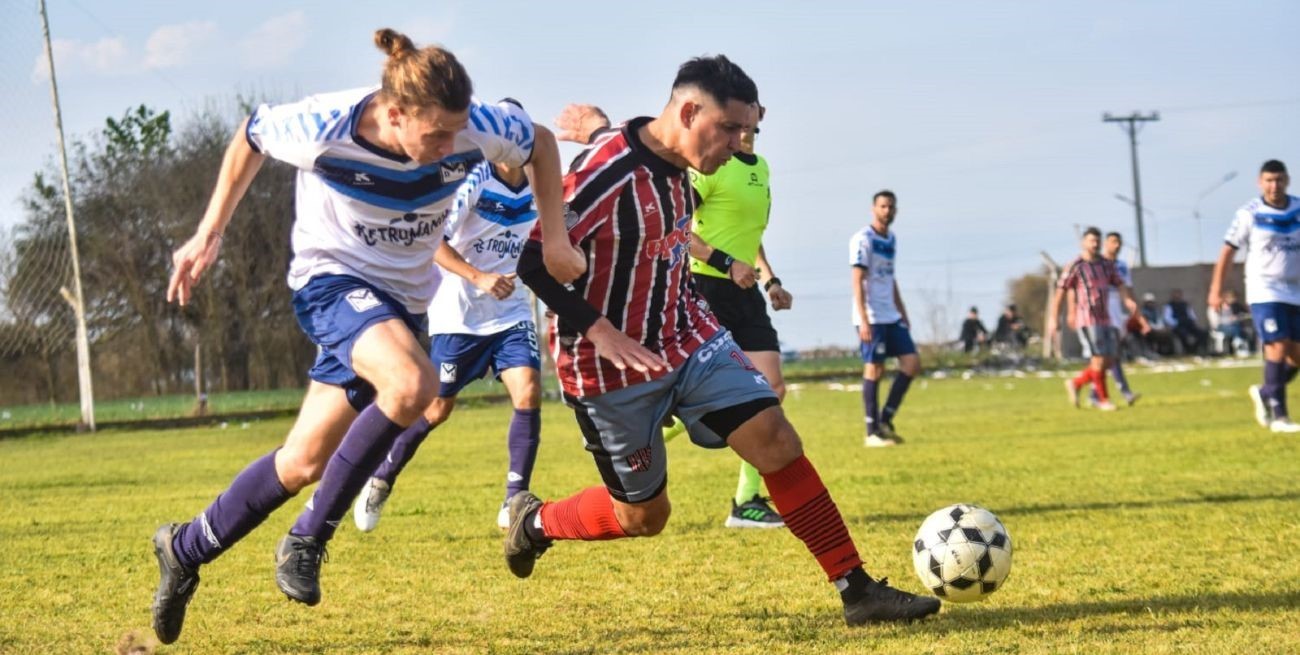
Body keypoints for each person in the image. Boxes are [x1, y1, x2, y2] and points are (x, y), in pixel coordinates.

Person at [150, 29, 566, 645]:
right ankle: (309, 538)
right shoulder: (324, 125)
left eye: (457, 133)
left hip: (399, 305)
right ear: (393, 113)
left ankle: (184, 548)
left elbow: (545, 144)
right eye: (437, 136)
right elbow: (249, 135)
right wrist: (212, 228)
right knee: (412, 383)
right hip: (329, 281)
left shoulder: (474, 126)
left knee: (301, 461)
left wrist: (553, 236)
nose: (453, 147)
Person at [509, 55, 940, 626]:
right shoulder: (604, 177)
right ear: (689, 112)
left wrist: (595, 124)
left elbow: (624, 140)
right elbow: (532, 257)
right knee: (644, 516)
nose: (741, 144)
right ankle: (535, 522)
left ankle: (856, 590)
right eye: (731, 129)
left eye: (748, 131)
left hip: (688, 338)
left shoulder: (679, 159)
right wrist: (600, 328)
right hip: (608, 369)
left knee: (776, 437)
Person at [553, 101, 793, 529]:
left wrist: (769, 279)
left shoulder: (762, 169)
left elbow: (751, 235)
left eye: (749, 122)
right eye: (735, 122)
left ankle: (748, 500)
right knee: (647, 510)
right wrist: (723, 261)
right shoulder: (706, 168)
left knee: (773, 390)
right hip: (703, 285)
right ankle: (643, 440)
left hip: (746, 287)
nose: (742, 132)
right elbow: (679, 228)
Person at [352, 153, 543, 534]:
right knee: (437, 408)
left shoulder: (541, 185)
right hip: (459, 315)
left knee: (529, 391)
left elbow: (560, 235)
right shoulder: (474, 181)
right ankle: (382, 477)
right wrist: (478, 277)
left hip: (512, 313)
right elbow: (432, 242)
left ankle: (514, 499)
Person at [1208, 159, 1300, 433]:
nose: (1274, 186)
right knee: (1277, 345)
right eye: (1269, 181)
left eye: (1279, 180)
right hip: (1265, 289)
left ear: (1287, 181)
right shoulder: (1249, 213)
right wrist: (1215, 290)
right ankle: (1280, 416)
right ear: (1260, 183)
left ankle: (1265, 392)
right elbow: (1227, 252)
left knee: (1296, 358)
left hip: (1295, 290)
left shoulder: (1298, 208)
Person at [850, 190, 920, 447]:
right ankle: (871, 432)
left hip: (891, 314)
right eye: (882, 206)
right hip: (872, 316)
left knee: (912, 363)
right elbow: (857, 280)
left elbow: (890, 278)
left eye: (891, 207)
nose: (887, 211)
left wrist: (902, 311)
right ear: (873, 209)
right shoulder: (863, 239)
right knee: (874, 368)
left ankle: (885, 419)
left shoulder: (891, 239)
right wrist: (864, 319)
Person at [1046, 227, 1143, 411]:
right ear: (1083, 242)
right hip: (1087, 318)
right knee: (1098, 359)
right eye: (1091, 240)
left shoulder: (1106, 265)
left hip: (1105, 317)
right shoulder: (1076, 265)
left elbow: (1120, 284)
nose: (1095, 244)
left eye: (1097, 240)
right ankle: (1102, 399)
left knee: (1109, 359)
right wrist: (1055, 317)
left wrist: (1128, 300)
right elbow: (1062, 291)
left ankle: (1076, 383)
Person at [1090, 232, 1141, 405]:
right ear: (1105, 243)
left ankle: (1091, 392)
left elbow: (1128, 288)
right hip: (1101, 312)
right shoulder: (1096, 263)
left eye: (1119, 242)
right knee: (1109, 355)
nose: (1117, 245)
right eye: (1113, 242)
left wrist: (1134, 309)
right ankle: (1125, 392)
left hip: (1117, 311)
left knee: (1107, 356)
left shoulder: (1122, 266)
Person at [1163, 289, 1207, 355]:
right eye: (1175, 295)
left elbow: (1191, 315)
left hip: (1188, 324)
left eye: (1178, 295)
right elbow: (1167, 318)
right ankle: (1187, 350)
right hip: (1178, 326)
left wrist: (1191, 321)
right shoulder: (1169, 306)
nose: (1177, 296)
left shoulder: (1185, 304)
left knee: (1202, 333)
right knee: (1184, 335)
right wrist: (1176, 323)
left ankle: (1196, 349)